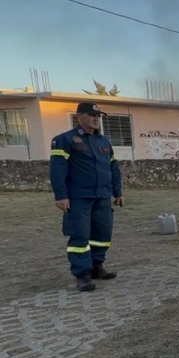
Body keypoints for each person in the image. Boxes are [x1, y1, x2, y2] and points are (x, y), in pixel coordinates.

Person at [49, 102, 123, 292]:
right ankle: (82, 274)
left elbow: (113, 168)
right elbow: (57, 170)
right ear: (79, 116)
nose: (96, 119)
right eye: (92, 115)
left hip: (102, 196)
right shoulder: (65, 140)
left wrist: (118, 191)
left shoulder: (104, 142)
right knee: (80, 235)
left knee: (102, 235)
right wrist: (61, 195)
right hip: (78, 197)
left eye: (98, 116)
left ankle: (96, 266)